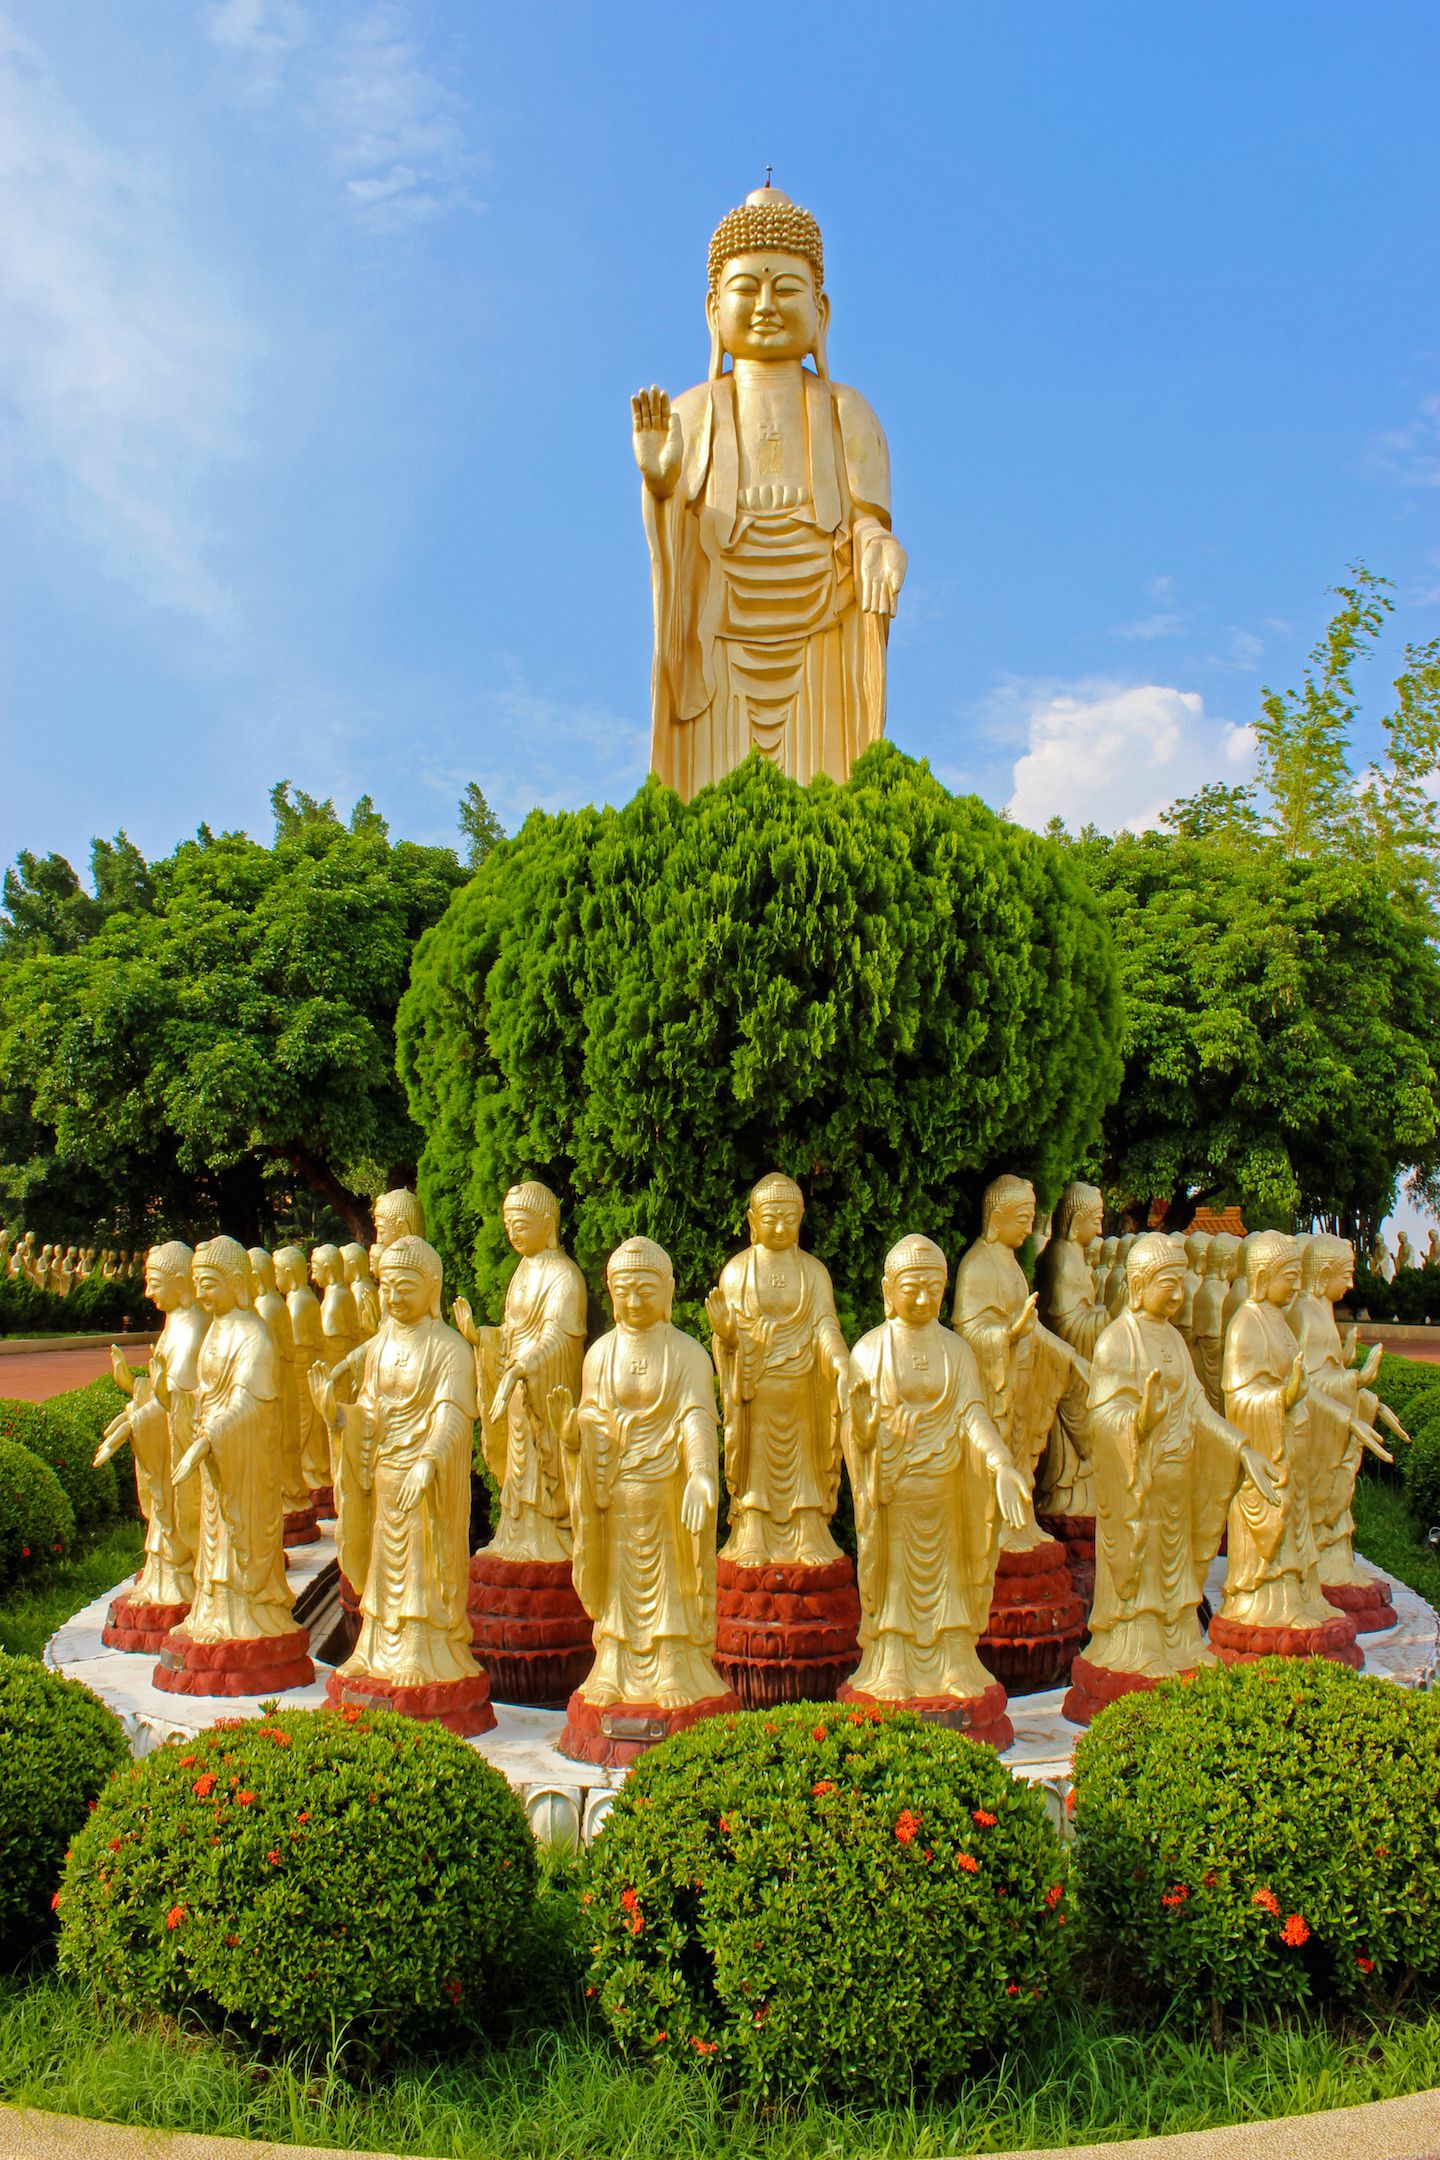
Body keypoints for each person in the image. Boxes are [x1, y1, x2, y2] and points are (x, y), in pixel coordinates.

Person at [634, 185, 907, 796]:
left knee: (827, 788)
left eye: (785, 289)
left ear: (821, 311)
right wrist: (661, 485)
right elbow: (676, 538)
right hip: (721, 639)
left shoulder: (846, 410)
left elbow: (867, 521)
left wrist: (879, 544)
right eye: (746, 290)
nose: (765, 306)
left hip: (822, 631)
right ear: (713, 311)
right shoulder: (691, 411)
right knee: (713, 798)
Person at [1066, 1234, 1277, 1722]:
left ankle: (1178, 1637)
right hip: (1137, 1483)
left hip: (1178, 1478)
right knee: (1142, 1563)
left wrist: (1242, 1446)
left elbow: (1198, 1408)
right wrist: (1138, 1421)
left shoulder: (1175, 1342)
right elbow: (1102, 1417)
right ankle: (1135, 1643)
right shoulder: (1117, 1340)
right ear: (1140, 1285)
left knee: (1175, 1564)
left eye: (1181, 1283)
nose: (1180, 1295)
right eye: (1169, 1284)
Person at [844, 1236, 1027, 1716]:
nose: (924, 1299)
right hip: (895, 1490)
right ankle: (893, 1663)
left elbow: (973, 1415)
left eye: (934, 1289)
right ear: (889, 1290)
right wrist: (864, 1433)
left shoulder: (956, 1351)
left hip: (947, 1488)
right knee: (895, 1584)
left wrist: (1001, 1463)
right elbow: (857, 1433)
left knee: (950, 1581)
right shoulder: (870, 1351)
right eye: (912, 1289)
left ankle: (954, 1661)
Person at [549, 1238, 729, 1714]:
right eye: (623, 1291)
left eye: (644, 1290)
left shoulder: (687, 1354)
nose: (632, 1301)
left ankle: (674, 1666)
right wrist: (573, 1435)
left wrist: (700, 1474)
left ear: (667, 1291)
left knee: (670, 1582)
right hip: (614, 1493)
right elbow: (592, 1417)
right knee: (617, 1592)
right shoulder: (599, 1355)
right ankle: (613, 1666)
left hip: (668, 1491)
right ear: (610, 1293)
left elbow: (696, 1417)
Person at [706, 1171, 849, 1565]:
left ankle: (808, 1533)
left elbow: (825, 1325)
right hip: (756, 1391)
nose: (781, 1228)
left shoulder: (814, 1272)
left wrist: (839, 1360)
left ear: (801, 1220)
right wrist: (728, 1336)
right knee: (755, 1466)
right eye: (771, 1219)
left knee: (805, 1463)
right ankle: (752, 1531)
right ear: (753, 1222)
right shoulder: (737, 1272)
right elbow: (732, 1338)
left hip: (804, 1389)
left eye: (790, 1219)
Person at [455, 1181, 587, 1564]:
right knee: (517, 1472)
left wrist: (521, 1370)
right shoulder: (522, 1271)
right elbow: (511, 1333)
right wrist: (480, 1337)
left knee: (540, 1471)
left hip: (542, 1388)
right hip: (514, 1392)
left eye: (522, 1225)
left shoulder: (564, 1276)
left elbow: (560, 1338)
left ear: (547, 1224)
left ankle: (548, 1539)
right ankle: (514, 1536)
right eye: (509, 1225)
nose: (513, 1233)